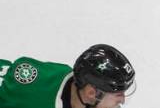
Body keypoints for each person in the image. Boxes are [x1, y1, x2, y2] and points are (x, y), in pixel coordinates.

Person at [0, 44, 134, 108]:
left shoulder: (73, 83)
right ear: (91, 93)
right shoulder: (35, 98)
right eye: (118, 95)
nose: (122, 101)